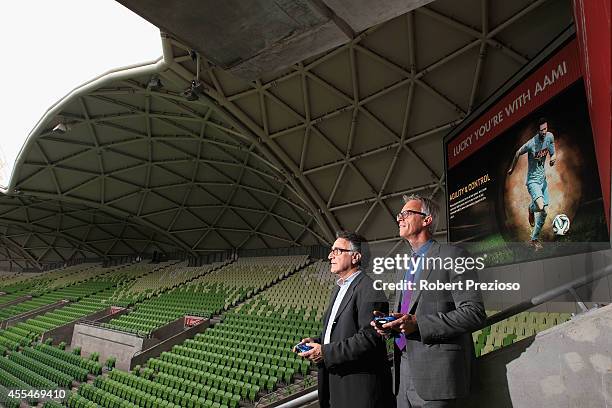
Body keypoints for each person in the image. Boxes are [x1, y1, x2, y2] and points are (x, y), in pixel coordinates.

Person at [372, 194, 486, 407]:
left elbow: (474, 312)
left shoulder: (454, 256)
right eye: (400, 214)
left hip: (437, 375)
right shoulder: (403, 266)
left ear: (427, 220)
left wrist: (418, 324)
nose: (399, 218)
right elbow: (406, 314)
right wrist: (390, 326)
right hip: (402, 372)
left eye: (407, 213)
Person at [296, 231, 393, 408]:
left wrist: (325, 352)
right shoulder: (339, 288)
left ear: (355, 257)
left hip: (357, 390)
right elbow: (342, 330)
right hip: (336, 386)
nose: (330, 255)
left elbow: (369, 339)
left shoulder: (370, 288)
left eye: (337, 251)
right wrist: (317, 342)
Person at [508, 117, 557, 250]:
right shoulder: (531, 144)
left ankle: (534, 240)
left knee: (545, 212)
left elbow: (553, 153)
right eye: (542, 130)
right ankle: (531, 209)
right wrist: (512, 168)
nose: (544, 132)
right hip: (533, 182)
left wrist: (553, 159)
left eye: (545, 129)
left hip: (543, 180)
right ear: (537, 130)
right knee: (540, 207)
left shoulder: (549, 137)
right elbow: (518, 152)